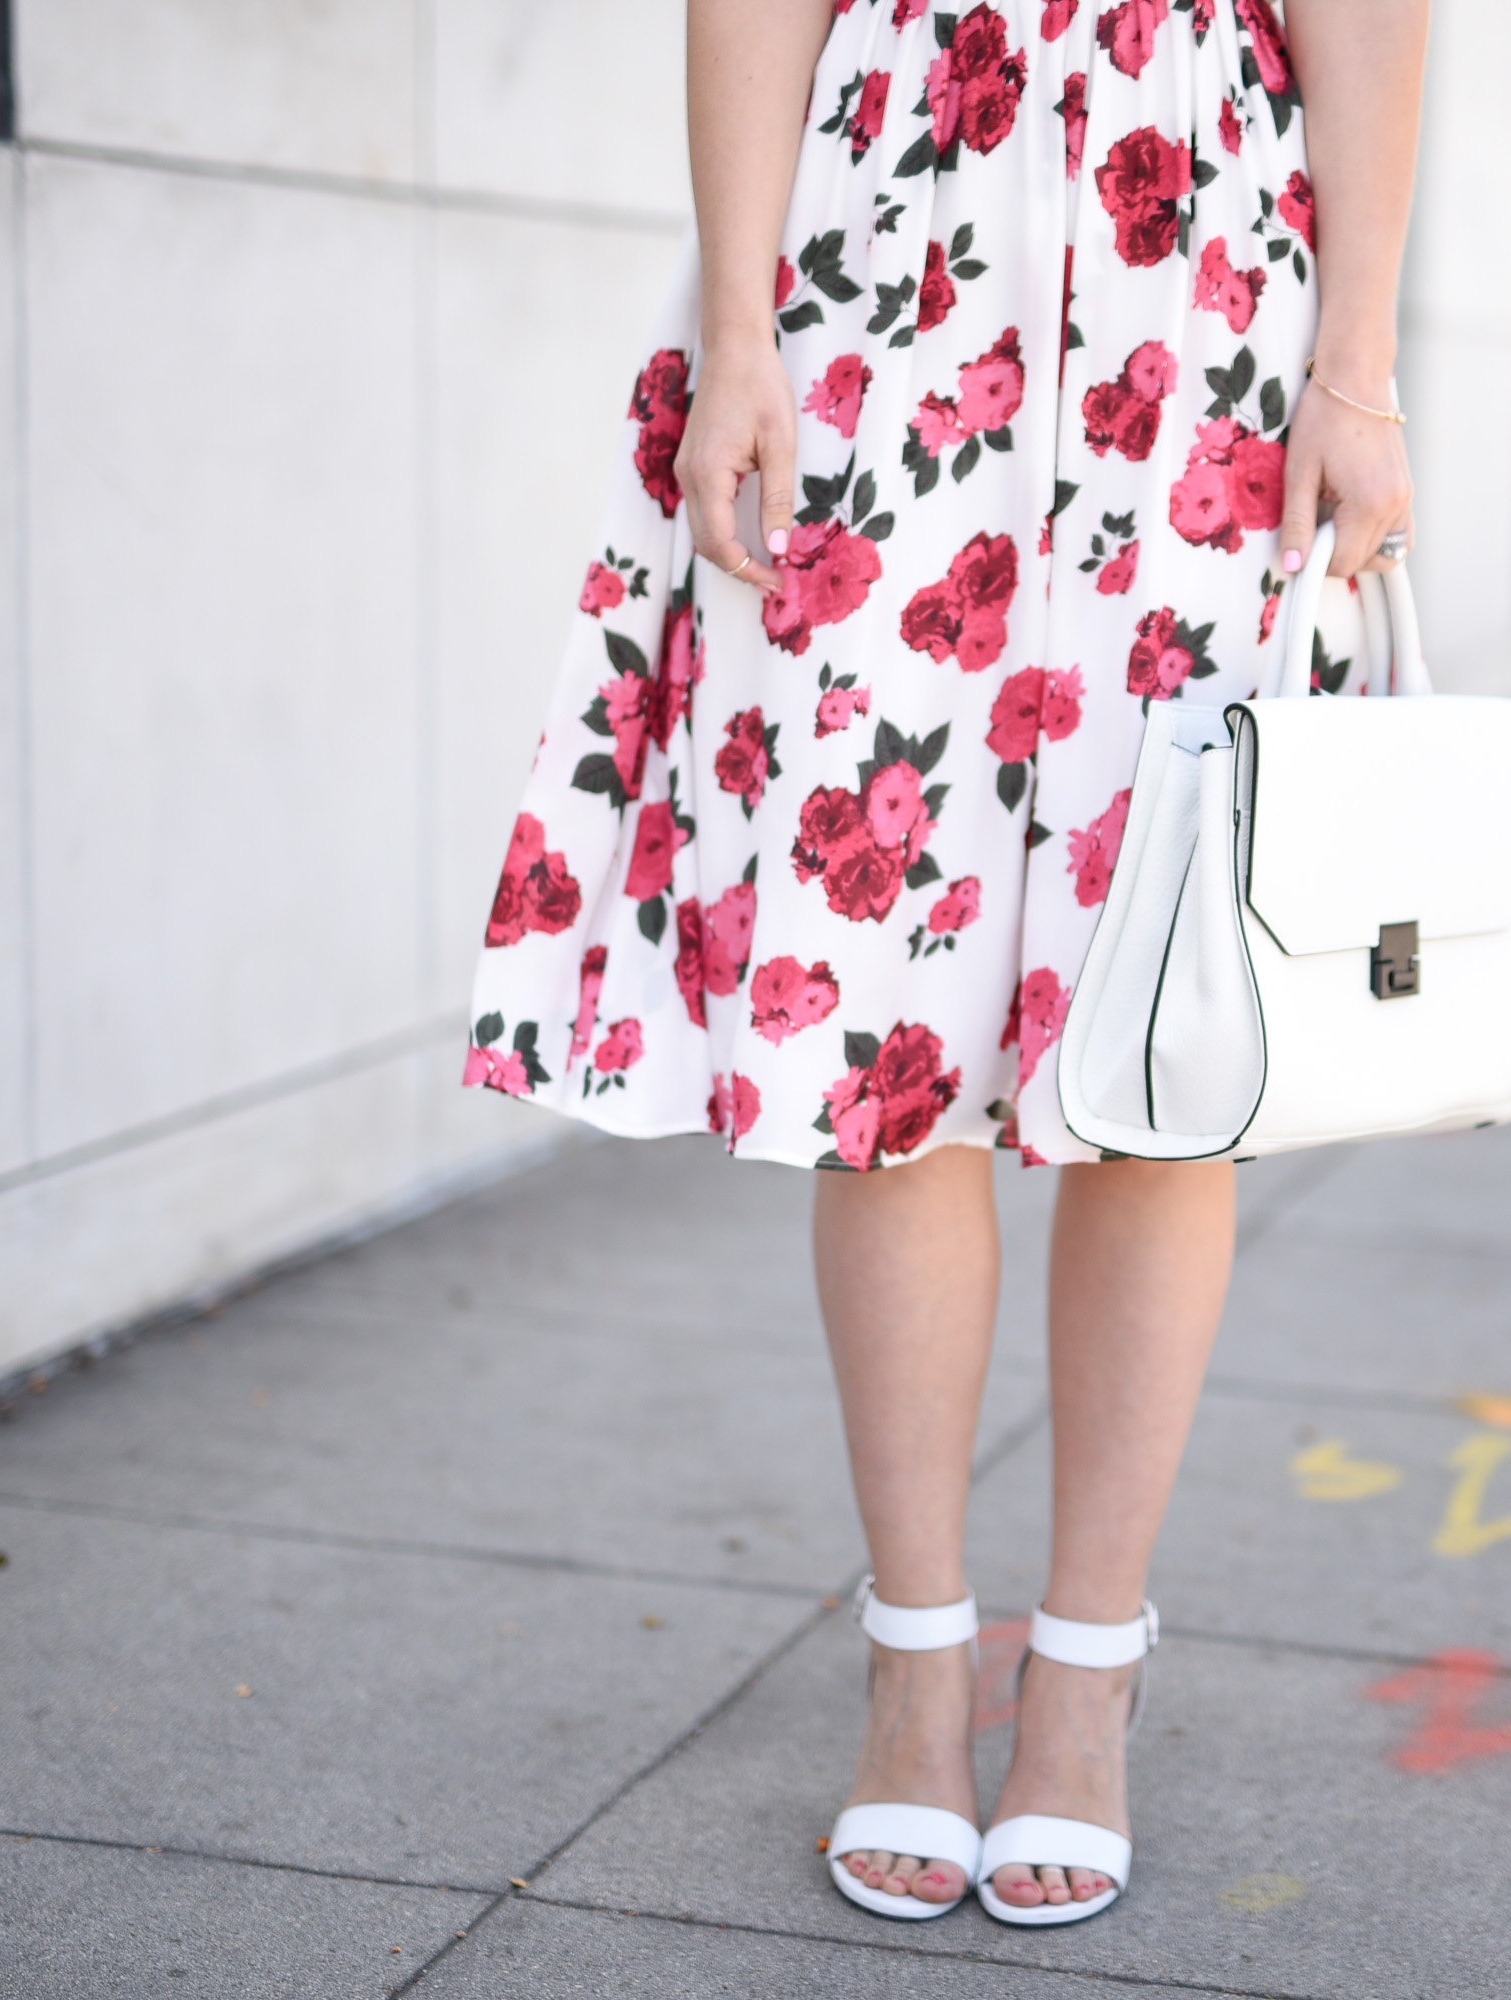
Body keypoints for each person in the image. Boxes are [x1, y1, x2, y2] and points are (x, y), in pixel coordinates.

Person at [466, 0, 1423, 1925]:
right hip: (890, 237)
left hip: (1204, 271)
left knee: (1162, 1030)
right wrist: (739, 327)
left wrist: (1364, 361)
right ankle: (917, 1661)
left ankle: (1084, 1677)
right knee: (878, 1014)